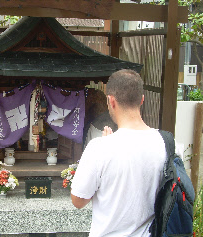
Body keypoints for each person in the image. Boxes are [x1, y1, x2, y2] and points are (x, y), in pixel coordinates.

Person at [70, 69, 166, 237]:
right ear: (142, 100)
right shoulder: (167, 144)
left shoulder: (99, 148)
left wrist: (106, 146)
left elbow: (78, 201)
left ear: (111, 101)